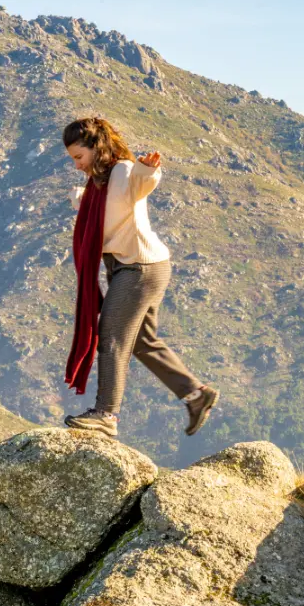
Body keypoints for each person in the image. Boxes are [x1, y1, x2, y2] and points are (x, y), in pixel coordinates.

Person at [60, 116, 218, 438]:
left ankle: (106, 414)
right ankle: (195, 394)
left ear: (96, 148)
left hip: (140, 268)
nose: (76, 165)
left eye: (79, 157)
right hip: (134, 267)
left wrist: (149, 169)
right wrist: (81, 198)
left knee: (113, 335)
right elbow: (103, 213)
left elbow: (143, 183)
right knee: (143, 342)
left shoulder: (124, 171)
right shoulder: (97, 184)